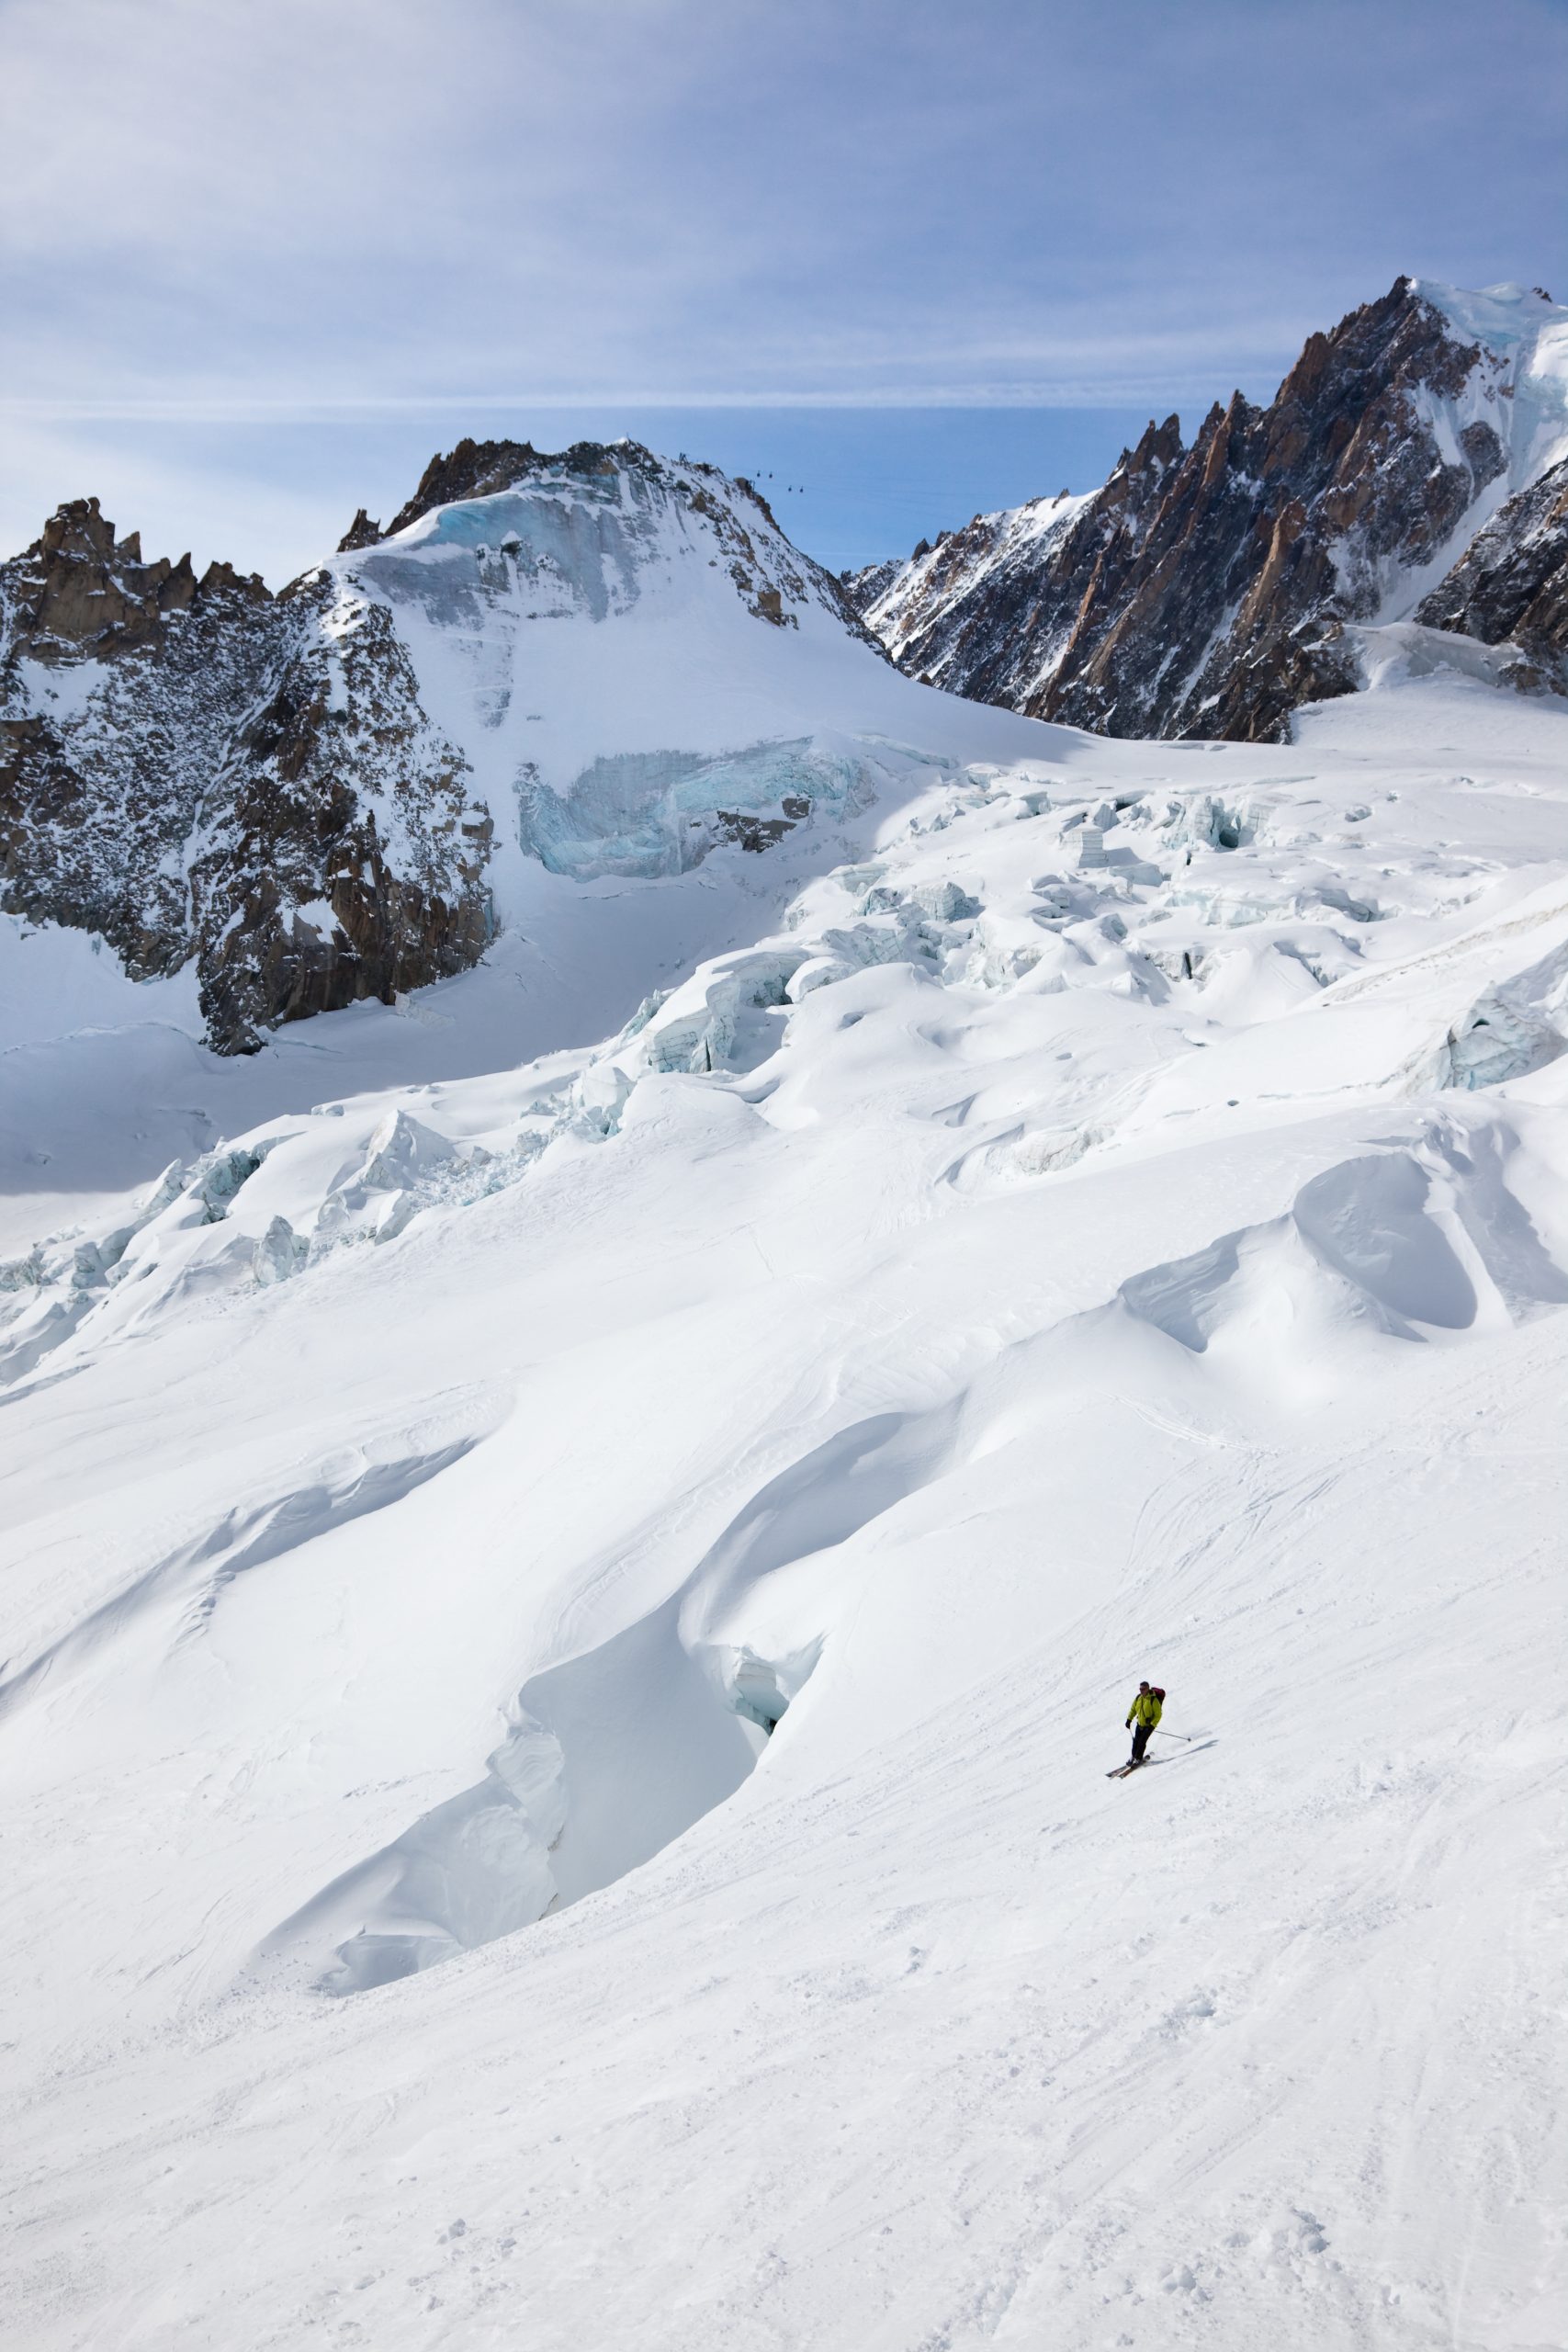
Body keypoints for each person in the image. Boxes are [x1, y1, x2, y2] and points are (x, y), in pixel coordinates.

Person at [1125, 1680, 1163, 1763]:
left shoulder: (1153, 1700)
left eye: (1143, 1689)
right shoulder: (1138, 1698)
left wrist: (1152, 1724)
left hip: (1149, 1726)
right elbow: (1133, 1709)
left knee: (1142, 1742)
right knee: (1136, 1741)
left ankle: (1138, 1758)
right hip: (1140, 1724)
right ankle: (1133, 1756)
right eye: (1140, 1689)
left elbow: (1158, 1714)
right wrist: (1129, 1719)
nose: (1141, 1691)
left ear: (1147, 1689)